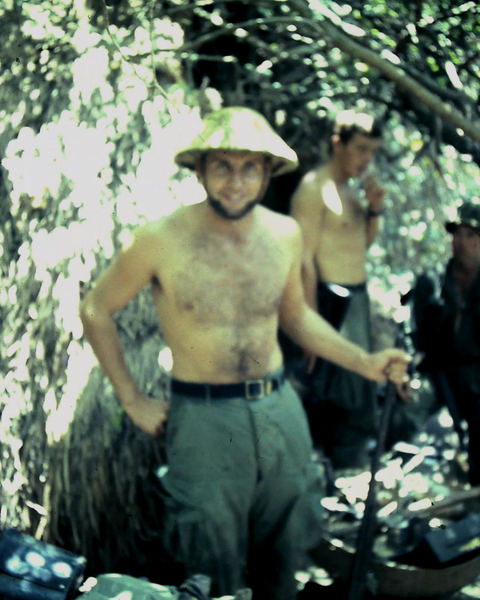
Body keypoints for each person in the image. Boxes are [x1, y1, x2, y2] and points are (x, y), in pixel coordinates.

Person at [80, 106, 409, 600]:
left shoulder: (284, 234)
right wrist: (132, 399)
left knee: (288, 545)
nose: (236, 181)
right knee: (209, 558)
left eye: (249, 167)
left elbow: (296, 318)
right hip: (203, 417)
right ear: (200, 170)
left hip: (279, 409)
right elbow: (96, 310)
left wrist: (364, 362)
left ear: (266, 172)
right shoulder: (159, 239)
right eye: (223, 166)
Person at [289, 109, 388, 469]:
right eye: (361, 148)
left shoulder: (351, 190)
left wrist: (375, 210)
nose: (367, 159)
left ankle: (351, 472)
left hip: (356, 300)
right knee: (336, 393)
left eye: (373, 151)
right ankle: (336, 472)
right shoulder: (313, 189)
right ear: (337, 144)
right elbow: (303, 261)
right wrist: (310, 325)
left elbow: (361, 246)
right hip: (331, 303)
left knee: (357, 390)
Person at [413, 201, 480, 486]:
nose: (461, 243)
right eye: (457, 234)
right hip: (438, 374)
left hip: (477, 375)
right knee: (406, 413)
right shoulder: (431, 282)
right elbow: (417, 338)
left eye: (471, 236)